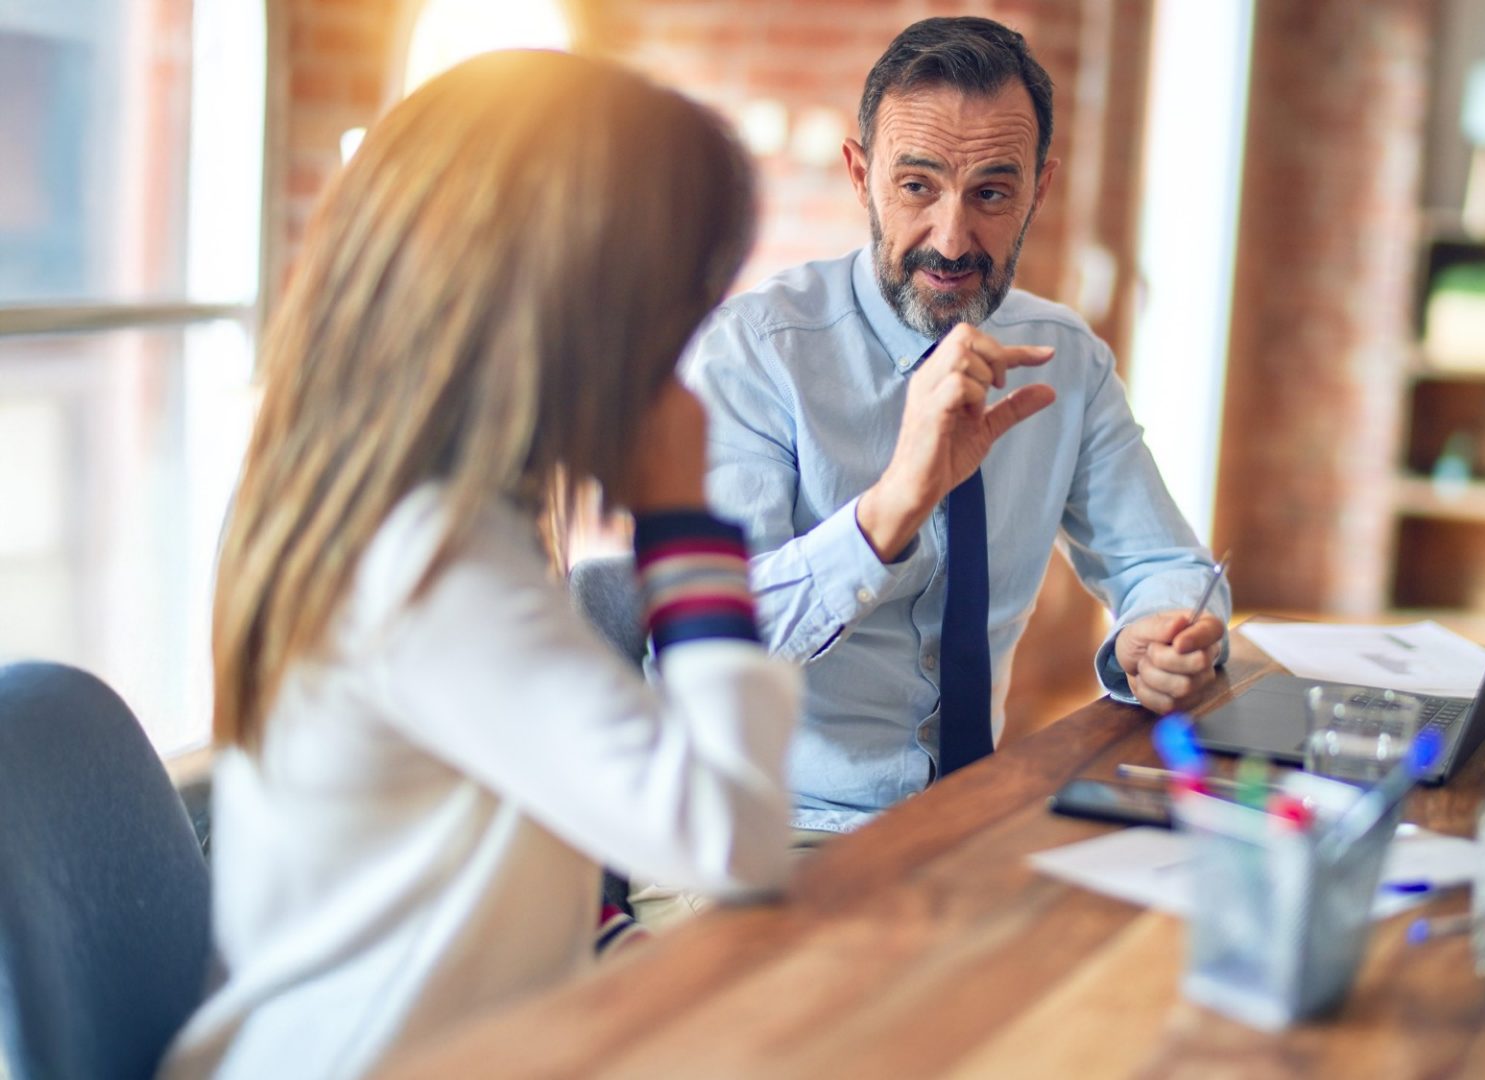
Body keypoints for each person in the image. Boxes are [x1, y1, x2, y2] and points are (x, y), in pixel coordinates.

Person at [161, 52, 796, 1079]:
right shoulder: (425, 562)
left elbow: (502, 833)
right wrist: (683, 522)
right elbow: (731, 838)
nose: (672, 360)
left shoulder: (387, 506)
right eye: (666, 313)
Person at [686, 16, 1229, 837]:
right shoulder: (757, 355)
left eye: (991, 193)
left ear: (1038, 190)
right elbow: (707, 652)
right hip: (772, 828)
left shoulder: (1067, 361)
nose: (951, 238)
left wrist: (1158, 629)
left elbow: (1169, 564)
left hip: (975, 823)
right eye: (917, 186)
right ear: (859, 174)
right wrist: (891, 507)